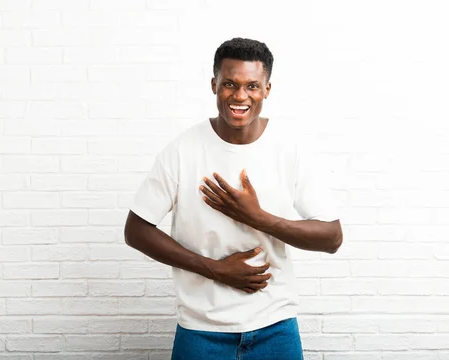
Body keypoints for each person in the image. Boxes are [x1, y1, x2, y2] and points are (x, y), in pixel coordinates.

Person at [124, 37, 343, 360]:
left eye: (252, 86)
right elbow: (136, 230)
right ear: (214, 85)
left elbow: (332, 237)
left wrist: (257, 217)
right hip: (202, 331)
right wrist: (214, 269)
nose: (240, 96)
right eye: (230, 84)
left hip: (275, 327)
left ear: (267, 89)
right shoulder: (183, 150)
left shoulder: (289, 149)